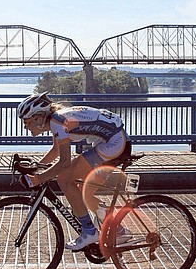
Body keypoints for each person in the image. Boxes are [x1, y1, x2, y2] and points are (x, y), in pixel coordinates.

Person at [17, 92, 131, 250]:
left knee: (64, 179)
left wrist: (38, 179)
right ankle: (118, 230)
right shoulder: (56, 121)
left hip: (114, 142)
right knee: (84, 192)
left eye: (26, 121)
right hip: (116, 140)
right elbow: (56, 150)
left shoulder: (57, 122)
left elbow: (64, 162)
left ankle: (89, 232)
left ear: (38, 117)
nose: (25, 126)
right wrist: (37, 167)